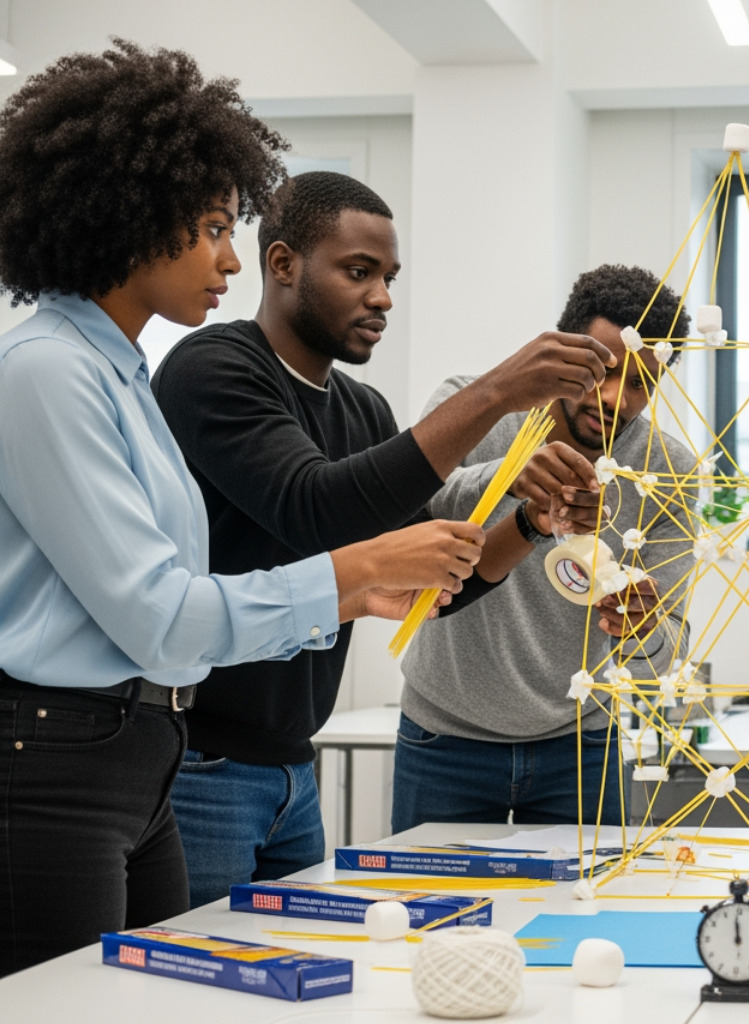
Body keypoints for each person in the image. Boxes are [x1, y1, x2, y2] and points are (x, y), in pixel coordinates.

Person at [0, 42, 484, 976]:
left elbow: (188, 605)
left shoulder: (122, 375)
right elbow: (163, 617)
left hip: (143, 754)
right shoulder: (47, 374)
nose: (231, 256)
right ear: (129, 215)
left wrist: (363, 587)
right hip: (61, 763)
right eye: (214, 225)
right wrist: (351, 578)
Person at [150, 172, 616, 908]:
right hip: (202, 768)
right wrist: (497, 391)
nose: (383, 299)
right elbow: (314, 508)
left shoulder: (363, 410)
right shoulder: (213, 368)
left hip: (291, 775)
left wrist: (530, 524)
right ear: (282, 266)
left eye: (390, 279)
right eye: (358, 273)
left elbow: (429, 589)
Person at [392, 264, 695, 831]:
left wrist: (642, 628)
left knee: (580, 921)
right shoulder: (474, 407)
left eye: (639, 384)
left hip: (583, 746)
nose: (614, 398)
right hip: (445, 736)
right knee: (424, 915)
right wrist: (511, 475)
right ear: (562, 350)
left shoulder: (669, 471)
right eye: (601, 369)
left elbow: (663, 654)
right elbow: (419, 514)